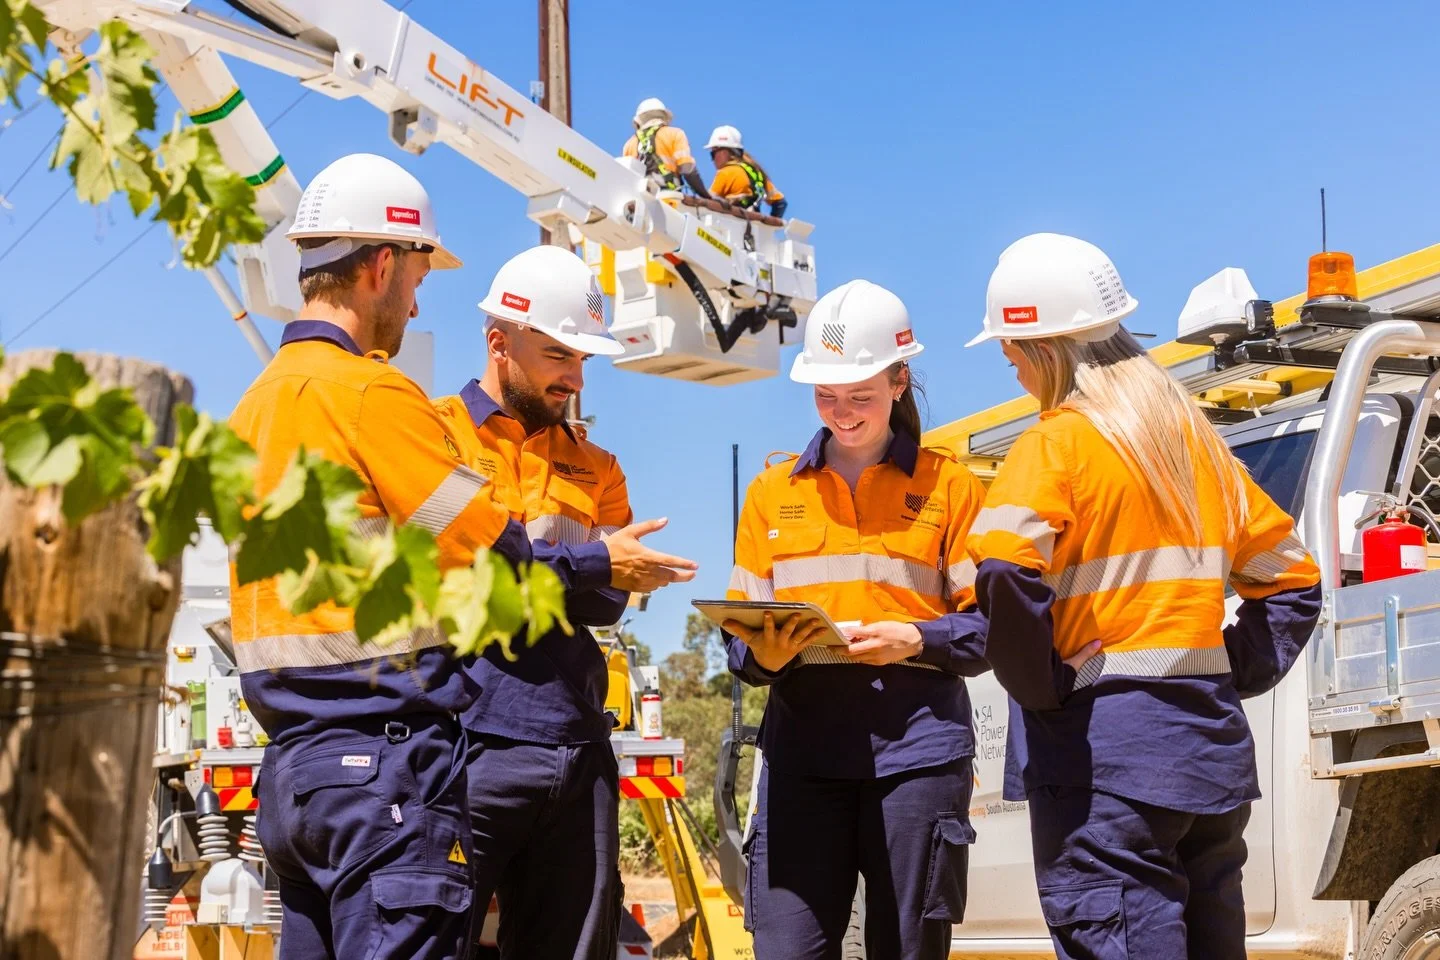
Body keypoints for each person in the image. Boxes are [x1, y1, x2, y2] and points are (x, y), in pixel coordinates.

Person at [964, 232, 1324, 959]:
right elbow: (1295, 581)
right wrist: (1228, 671)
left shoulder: (1056, 444)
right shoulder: (1198, 449)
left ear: (1045, 349)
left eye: (1012, 357)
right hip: (1209, 754)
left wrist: (1043, 688)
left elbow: (1002, 570)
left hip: (1106, 760)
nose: (1015, 373)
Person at [232, 153, 528, 960]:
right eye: (419, 279)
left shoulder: (257, 404)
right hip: (383, 770)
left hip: (295, 778)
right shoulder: (372, 392)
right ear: (383, 266)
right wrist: (600, 564)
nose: (417, 302)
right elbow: (496, 547)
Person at [432, 244, 699, 960]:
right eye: (558, 355)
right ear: (499, 342)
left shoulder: (597, 465)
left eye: (582, 359)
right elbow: (463, 570)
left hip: (575, 745)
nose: (576, 378)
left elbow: (605, 602)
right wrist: (589, 562)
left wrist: (582, 569)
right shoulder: (434, 436)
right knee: (429, 942)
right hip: (461, 739)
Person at [721, 279, 990, 960]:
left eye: (861, 396)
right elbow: (740, 644)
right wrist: (764, 652)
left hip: (918, 759)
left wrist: (916, 638)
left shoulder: (950, 487)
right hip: (802, 759)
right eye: (826, 395)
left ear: (899, 382)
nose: (842, 414)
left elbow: (989, 630)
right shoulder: (772, 492)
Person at [622, 97, 711, 198]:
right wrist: (706, 196)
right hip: (669, 197)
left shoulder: (629, 144)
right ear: (664, 116)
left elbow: (626, 178)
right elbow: (687, 169)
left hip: (640, 198)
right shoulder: (674, 134)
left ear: (638, 121)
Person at [705, 125, 787, 219]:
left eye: (712, 154)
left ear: (723, 152)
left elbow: (707, 202)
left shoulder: (726, 173)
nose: (712, 160)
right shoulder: (757, 173)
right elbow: (780, 203)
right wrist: (770, 224)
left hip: (730, 224)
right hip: (753, 225)